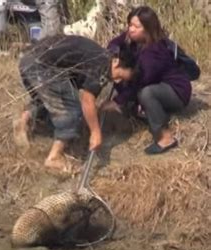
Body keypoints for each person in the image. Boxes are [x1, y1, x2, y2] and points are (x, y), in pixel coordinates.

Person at [13, 34, 137, 172]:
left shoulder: (98, 54)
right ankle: (54, 157)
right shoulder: (102, 66)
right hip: (42, 68)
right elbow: (87, 99)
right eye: (119, 75)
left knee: (48, 100)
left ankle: (24, 121)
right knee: (72, 111)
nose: (117, 81)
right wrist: (95, 132)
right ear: (116, 61)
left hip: (28, 61)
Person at [101, 6, 192, 155]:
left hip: (176, 91)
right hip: (156, 84)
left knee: (146, 93)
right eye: (130, 25)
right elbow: (116, 42)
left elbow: (140, 83)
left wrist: (117, 101)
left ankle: (165, 138)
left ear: (148, 29)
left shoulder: (154, 52)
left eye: (136, 26)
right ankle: (146, 111)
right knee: (128, 82)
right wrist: (114, 53)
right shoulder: (134, 39)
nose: (131, 29)